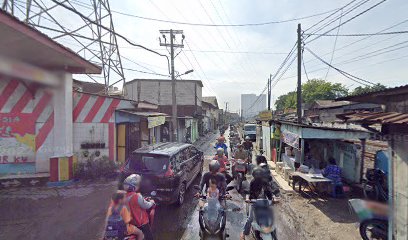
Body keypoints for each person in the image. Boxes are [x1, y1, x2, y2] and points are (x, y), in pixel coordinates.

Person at [240, 167, 274, 240]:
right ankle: (243, 233)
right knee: (250, 218)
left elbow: (268, 192)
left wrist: (272, 199)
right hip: (254, 202)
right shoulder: (253, 182)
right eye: (257, 176)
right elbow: (251, 192)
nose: (258, 178)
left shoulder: (265, 182)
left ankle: (273, 234)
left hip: (263, 202)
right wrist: (249, 199)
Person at [123, 174, 155, 240]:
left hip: (131, 222)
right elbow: (146, 205)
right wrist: (151, 202)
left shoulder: (124, 196)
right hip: (141, 223)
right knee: (150, 237)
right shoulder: (137, 196)